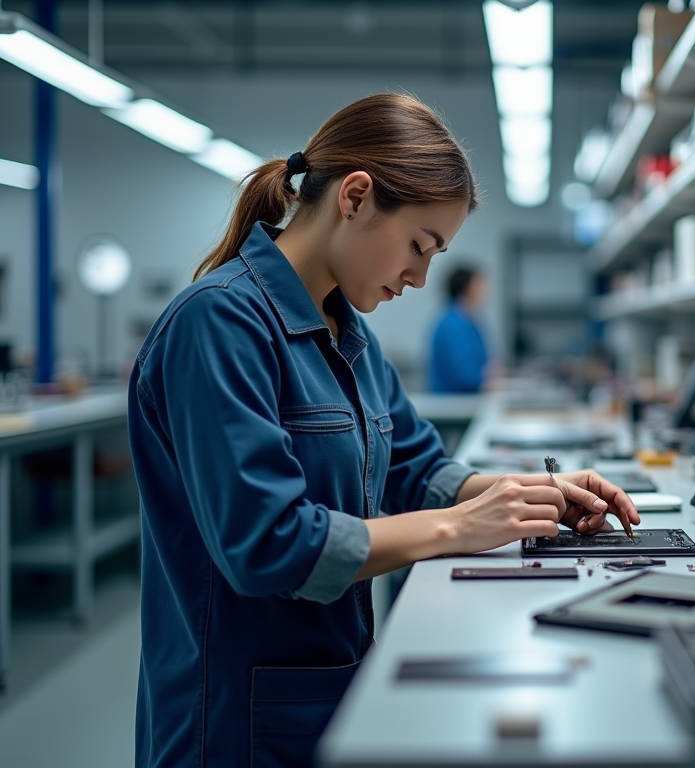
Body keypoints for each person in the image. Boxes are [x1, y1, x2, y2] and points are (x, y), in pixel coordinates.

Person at [127, 93, 640, 768]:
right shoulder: (219, 324)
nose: (422, 277)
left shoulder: (349, 334)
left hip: (323, 685)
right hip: (233, 716)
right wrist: (463, 528)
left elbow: (414, 468)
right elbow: (267, 543)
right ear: (356, 197)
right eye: (419, 246)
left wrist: (533, 492)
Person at [429, 265, 490, 393]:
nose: (485, 292)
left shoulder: (468, 321)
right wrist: (489, 377)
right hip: (452, 406)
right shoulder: (452, 326)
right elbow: (464, 377)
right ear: (468, 288)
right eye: (479, 286)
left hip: (467, 401)